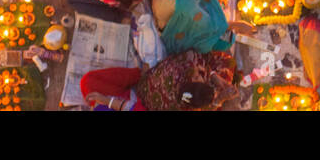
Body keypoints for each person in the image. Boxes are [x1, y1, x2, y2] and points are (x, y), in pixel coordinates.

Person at [81, 49, 240, 111]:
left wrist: (212, 76)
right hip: (137, 104)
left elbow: (126, 106)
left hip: (134, 96)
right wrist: (220, 98)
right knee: (227, 63)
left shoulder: (183, 66)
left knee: (88, 83)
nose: (199, 76)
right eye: (200, 77)